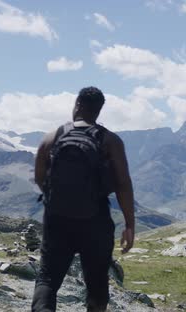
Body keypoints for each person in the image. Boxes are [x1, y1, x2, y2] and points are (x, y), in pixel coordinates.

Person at [31, 86, 135, 312]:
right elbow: (123, 184)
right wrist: (129, 224)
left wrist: (57, 198)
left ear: (77, 105)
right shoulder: (110, 141)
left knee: (47, 278)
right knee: (97, 282)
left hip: (57, 219)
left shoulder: (52, 137)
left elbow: (39, 176)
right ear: (98, 111)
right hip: (95, 220)